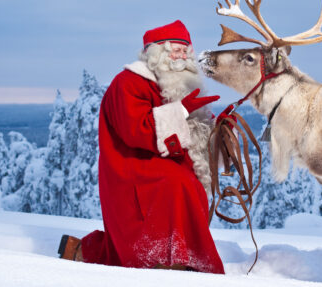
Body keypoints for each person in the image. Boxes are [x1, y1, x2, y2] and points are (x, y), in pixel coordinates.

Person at [57, 20, 225, 273]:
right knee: (176, 184)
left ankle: (180, 256)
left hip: (163, 162)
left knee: (186, 184)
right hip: (131, 166)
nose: (181, 57)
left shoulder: (179, 84)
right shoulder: (128, 83)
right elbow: (135, 131)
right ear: (156, 52)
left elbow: (195, 134)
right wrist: (179, 111)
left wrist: (219, 130)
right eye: (174, 50)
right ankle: (169, 259)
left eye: (185, 50)